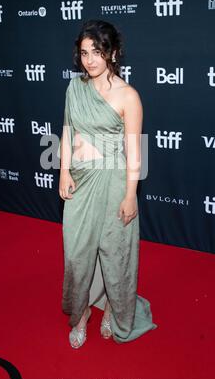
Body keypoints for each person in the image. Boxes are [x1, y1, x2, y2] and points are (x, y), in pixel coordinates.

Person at [59, 19, 156, 348]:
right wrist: (63, 171)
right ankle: (81, 313)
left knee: (115, 255)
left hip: (115, 182)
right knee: (76, 255)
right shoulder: (75, 88)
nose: (89, 60)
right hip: (81, 180)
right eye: (84, 52)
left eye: (97, 52)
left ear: (112, 53)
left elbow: (134, 151)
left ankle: (116, 308)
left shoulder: (129, 96)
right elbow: (68, 131)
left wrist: (131, 195)